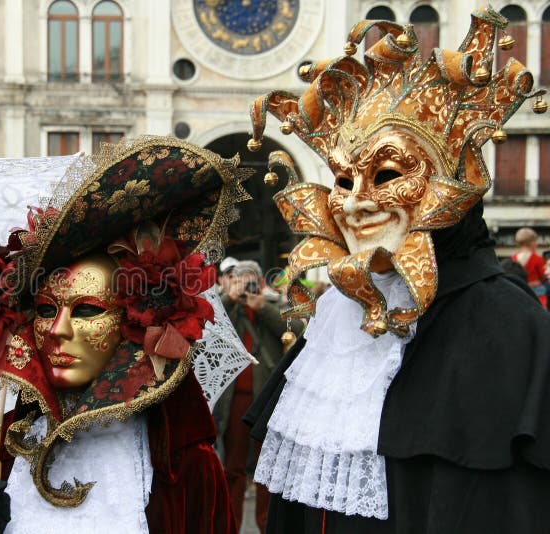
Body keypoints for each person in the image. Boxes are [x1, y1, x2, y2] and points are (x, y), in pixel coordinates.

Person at [244, 8, 550, 533]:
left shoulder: (507, 326)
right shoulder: (335, 318)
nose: (354, 203)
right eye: (342, 180)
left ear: (448, 190)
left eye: (386, 173)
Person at [0, 137, 251, 533]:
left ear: (132, 324)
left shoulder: (181, 467)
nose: (56, 331)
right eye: (47, 310)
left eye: (87, 309)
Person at [215, 259, 291, 532]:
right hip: (234, 401)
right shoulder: (228, 307)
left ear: (260, 282)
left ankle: (265, 525)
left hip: (265, 401)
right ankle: (231, 526)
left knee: (265, 469)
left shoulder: (273, 305)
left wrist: (265, 309)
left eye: (250, 279)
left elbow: (292, 333)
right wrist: (229, 297)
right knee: (233, 467)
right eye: (240, 278)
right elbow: (208, 329)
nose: (246, 284)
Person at [512, 227, 547, 308]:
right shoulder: (537, 259)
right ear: (532, 243)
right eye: (535, 241)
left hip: (519, 290)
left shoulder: (514, 258)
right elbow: (543, 277)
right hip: (537, 293)